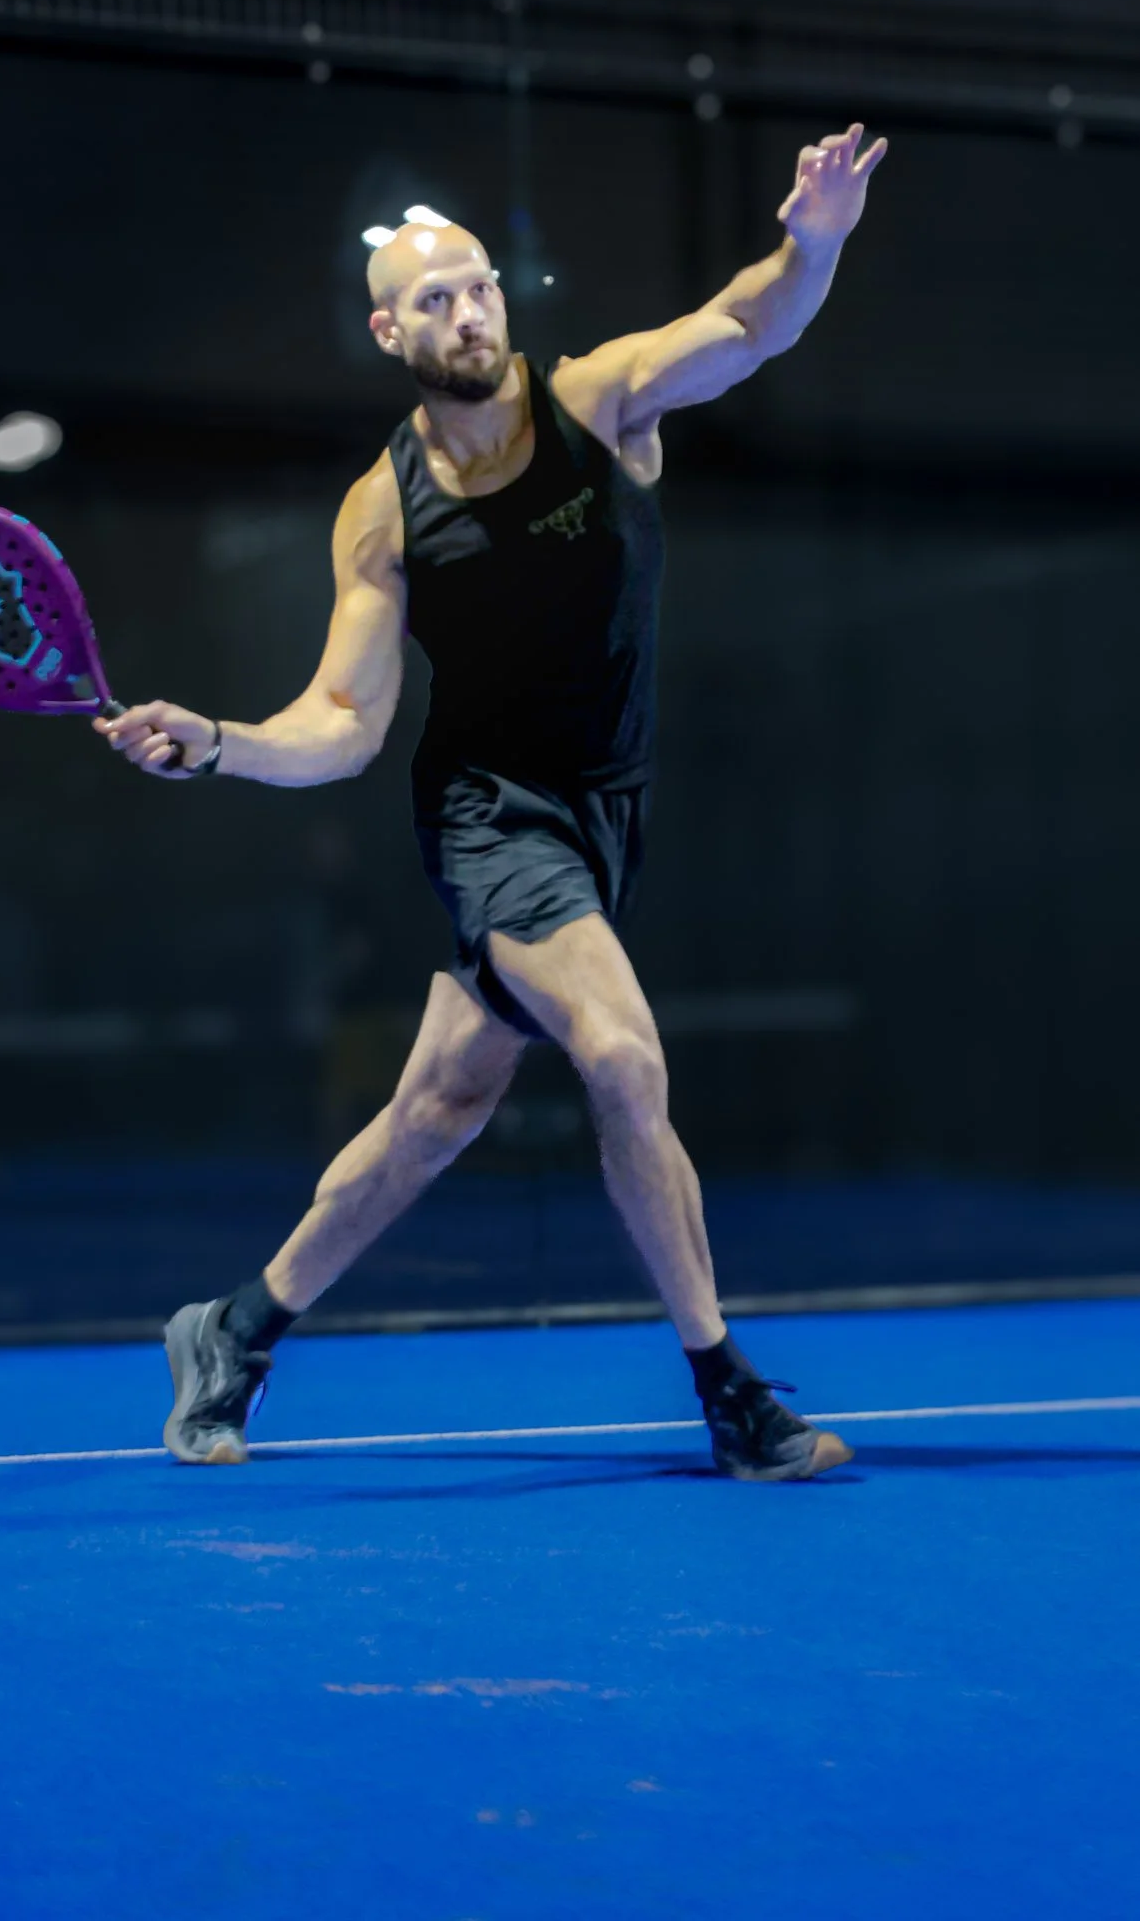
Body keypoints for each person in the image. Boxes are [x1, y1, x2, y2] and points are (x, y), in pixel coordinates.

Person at [98, 121, 888, 1480]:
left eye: (479, 286)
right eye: (433, 299)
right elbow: (341, 722)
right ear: (385, 328)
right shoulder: (383, 511)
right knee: (624, 1054)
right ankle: (730, 1394)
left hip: (603, 815)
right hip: (488, 820)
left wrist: (813, 238)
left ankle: (232, 1330)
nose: (467, 310)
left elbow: (751, 325)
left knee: (439, 1113)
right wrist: (222, 740)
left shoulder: (598, 401)